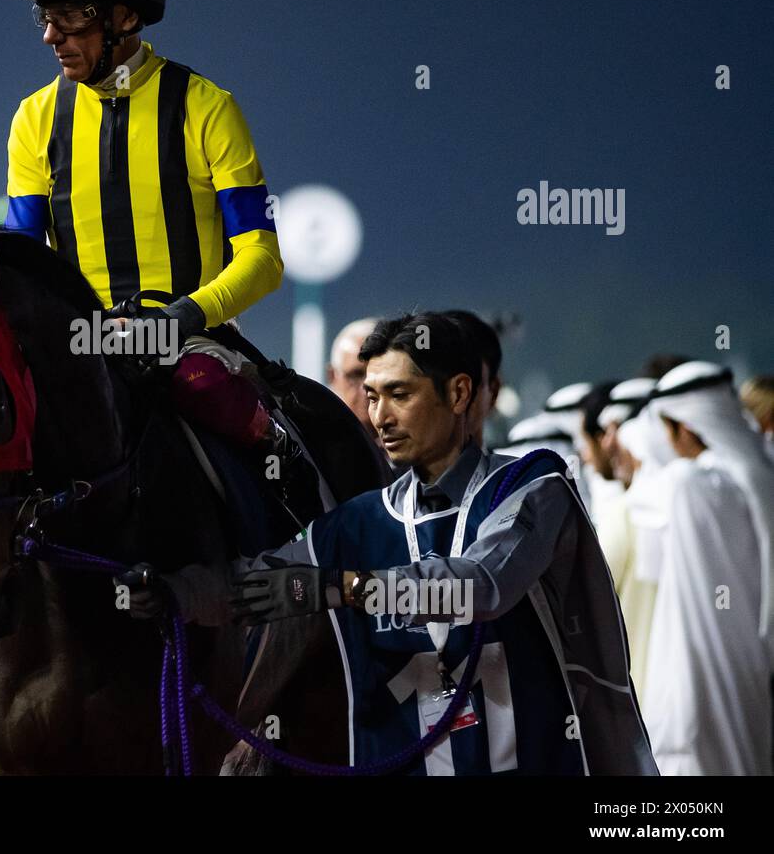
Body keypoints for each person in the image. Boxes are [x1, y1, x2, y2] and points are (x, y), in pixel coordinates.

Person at [225, 312, 656, 775]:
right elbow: (247, 580)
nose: (380, 417)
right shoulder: (356, 521)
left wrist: (342, 586)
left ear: (459, 393)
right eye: (372, 397)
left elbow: (482, 585)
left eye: (399, 395)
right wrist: (164, 591)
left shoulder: (531, 483)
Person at [4, 0, 304, 482]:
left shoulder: (208, 107)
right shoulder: (34, 118)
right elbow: (18, 260)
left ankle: (292, 486)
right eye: (46, 18)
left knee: (206, 392)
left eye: (70, 17)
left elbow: (263, 261)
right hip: (79, 346)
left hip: (192, 340)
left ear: (126, 17)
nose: (51, 36)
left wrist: (178, 317)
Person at [642, 361, 774, 775]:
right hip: (755, 662)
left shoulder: (690, 485)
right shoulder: (756, 474)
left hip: (705, 673)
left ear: (684, 429)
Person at [442, 310, 502, 449]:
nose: (456, 398)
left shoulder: (523, 470)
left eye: (469, 385)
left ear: (493, 392)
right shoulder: (387, 470)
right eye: (439, 384)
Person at [326, 317, 379, 438]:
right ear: (332, 376)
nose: (367, 390)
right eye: (356, 375)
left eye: (377, 376)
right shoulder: (310, 447)